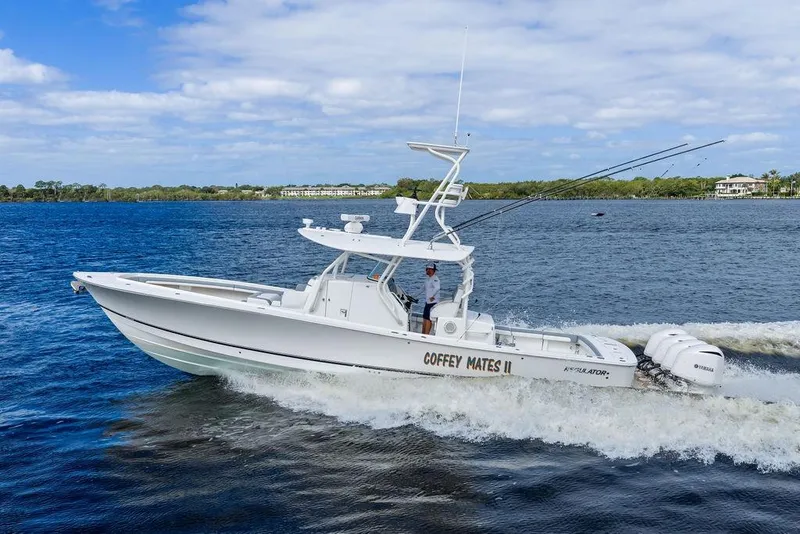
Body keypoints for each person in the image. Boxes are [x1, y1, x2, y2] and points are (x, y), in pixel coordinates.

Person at [421, 262, 440, 335]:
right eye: (427, 269)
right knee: (425, 317)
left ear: (434, 270)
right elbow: (422, 288)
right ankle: (423, 333)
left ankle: (426, 335)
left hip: (432, 303)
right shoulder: (428, 279)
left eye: (430, 269)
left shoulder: (435, 279)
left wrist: (431, 296)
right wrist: (413, 295)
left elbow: (437, 288)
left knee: (428, 318)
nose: (428, 270)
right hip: (428, 302)